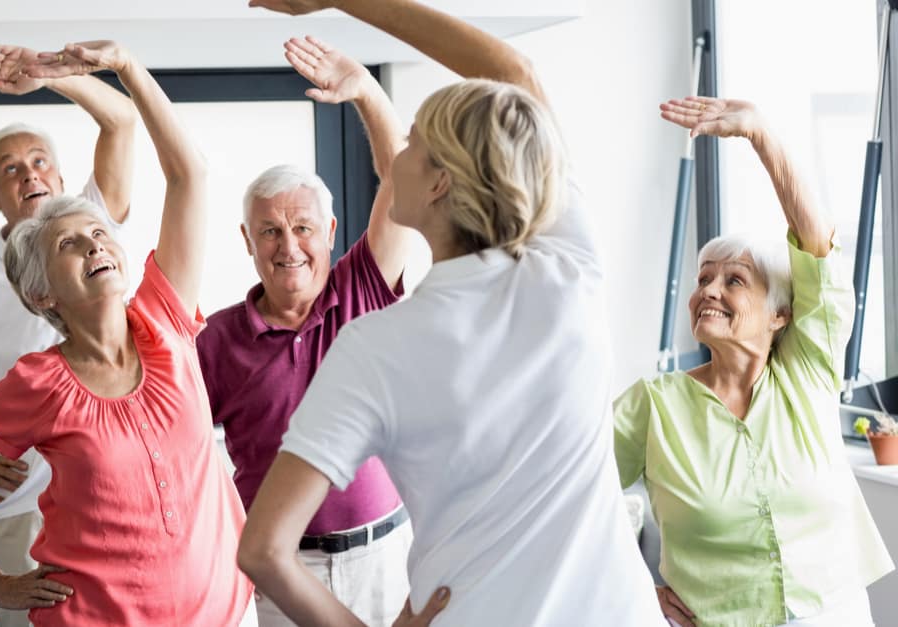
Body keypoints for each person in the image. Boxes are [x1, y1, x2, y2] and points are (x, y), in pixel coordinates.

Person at [237, 1, 665, 625]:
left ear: (439, 182)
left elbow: (263, 550)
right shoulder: (569, 269)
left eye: (411, 142)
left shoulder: (370, 347)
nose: (398, 155)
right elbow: (518, 72)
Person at [0, 39, 254, 626]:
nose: (94, 243)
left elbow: (188, 174)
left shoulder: (164, 321)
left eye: (98, 233)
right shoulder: (38, 381)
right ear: (43, 294)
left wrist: (127, 66)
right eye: (70, 243)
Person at [612, 96, 894, 627]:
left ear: (780, 315)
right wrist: (631, 583)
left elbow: (818, 253)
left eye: (734, 280)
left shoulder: (808, 373)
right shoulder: (654, 405)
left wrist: (763, 136)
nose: (708, 292)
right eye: (703, 280)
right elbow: (572, 491)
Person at [196, 35, 414, 626]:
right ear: (247, 241)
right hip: (284, 572)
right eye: (268, 231)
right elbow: (171, 446)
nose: (288, 246)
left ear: (331, 231)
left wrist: (366, 92)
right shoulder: (214, 341)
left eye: (302, 228)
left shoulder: (362, 286)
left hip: (385, 555)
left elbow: (403, 181)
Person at [0, 45, 138, 627]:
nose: (30, 173)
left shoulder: (93, 225)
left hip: (119, 500)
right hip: (28, 517)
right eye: (11, 169)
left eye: (40, 161)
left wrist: (54, 76)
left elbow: (121, 119)